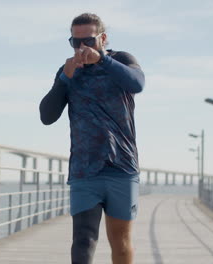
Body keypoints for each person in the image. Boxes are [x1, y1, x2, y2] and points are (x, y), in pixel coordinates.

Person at [39, 13, 145, 264]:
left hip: (122, 167)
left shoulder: (121, 60)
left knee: (121, 241)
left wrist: (104, 60)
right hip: (84, 170)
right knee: (83, 239)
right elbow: (47, 116)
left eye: (88, 40)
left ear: (103, 38)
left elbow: (138, 84)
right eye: (75, 42)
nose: (82, 48)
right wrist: (64, 79)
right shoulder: (68, 71)